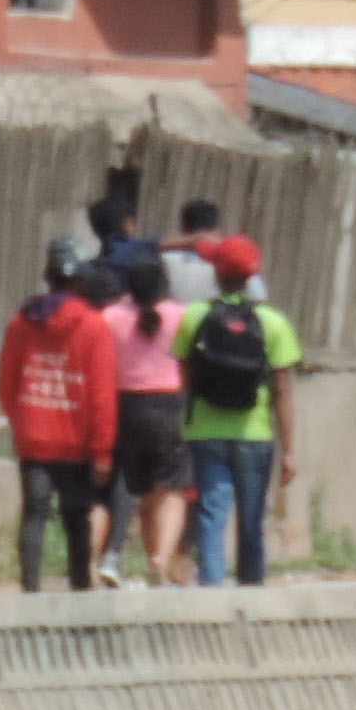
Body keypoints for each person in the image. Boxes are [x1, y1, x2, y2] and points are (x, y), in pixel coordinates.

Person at [0, 238, 116, 594]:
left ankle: (30, 589)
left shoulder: (21, 323)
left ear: (48, 278)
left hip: (35, 440)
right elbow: (102, 395)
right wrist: (102, 450)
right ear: (79, 281)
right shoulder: (93, 327)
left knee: (34, 515)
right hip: (76, 444)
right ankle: (78, 588)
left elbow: (7, 383)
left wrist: (23, 418)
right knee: (76, 519)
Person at [179, 231, 299, 587]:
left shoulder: (195, 317)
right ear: (252, 277)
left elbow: (183, 378)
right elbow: (283, 389)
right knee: (251, 520)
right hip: (255, 435)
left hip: (204, 432)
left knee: (211, 516)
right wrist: (290, 449)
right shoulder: (273, 323)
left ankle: (213, 593)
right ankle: (251, 591)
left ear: (216, 274)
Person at [103, 244, 190, 587]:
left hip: (126, 406)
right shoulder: (181, 316)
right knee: (172, 487)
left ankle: (146, 555)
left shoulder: (109, 317)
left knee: (140, 487)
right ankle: (160, 558)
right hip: (171, 404)